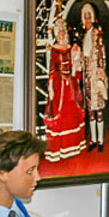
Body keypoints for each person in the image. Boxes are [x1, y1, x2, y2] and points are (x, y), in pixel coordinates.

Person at [44, 17, 86, 162]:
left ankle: (73, 146)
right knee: (60, 114)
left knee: (72, 114)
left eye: (63, 30)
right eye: (58, 31)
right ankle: (59, 150)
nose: (61, 33)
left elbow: (77, 68)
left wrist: (76, 56)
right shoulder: (53, 50)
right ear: (55, 33)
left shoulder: (71, 47)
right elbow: (52, 69)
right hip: (59, 86)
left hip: (71, 87)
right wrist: (54, 84)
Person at [78, 3, 109, 152]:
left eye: (89, 17)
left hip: (96, 75)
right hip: (87, 77)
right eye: (85, 18)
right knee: (90, 111)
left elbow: (102, 55)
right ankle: (93, 140)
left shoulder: (97, 34)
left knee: (99, 110)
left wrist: (101, 74)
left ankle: (101, 141)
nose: (88, 20)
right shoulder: (84, 36)